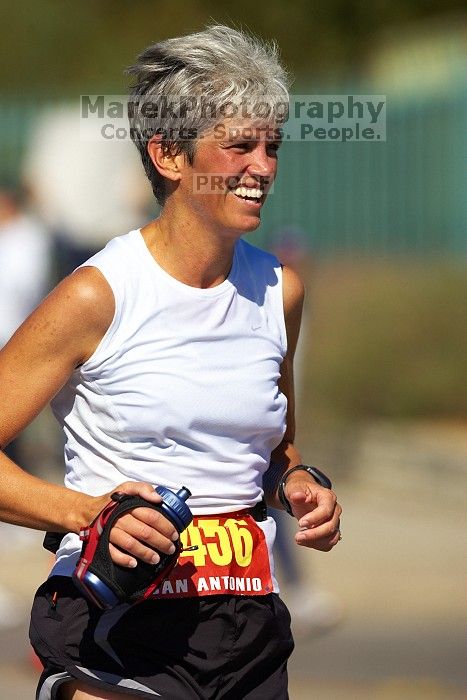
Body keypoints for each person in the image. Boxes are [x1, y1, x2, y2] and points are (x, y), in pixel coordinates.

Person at [0, 25, 342, 700]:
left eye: (271, 146)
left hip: (245, 628)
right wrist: (88, 514)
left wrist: (298, 485)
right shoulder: (98, 294)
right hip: (118, 624)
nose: (264, 166)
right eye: (239, 146)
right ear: (168, 155)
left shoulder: (279, 290)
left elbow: (275, 448)